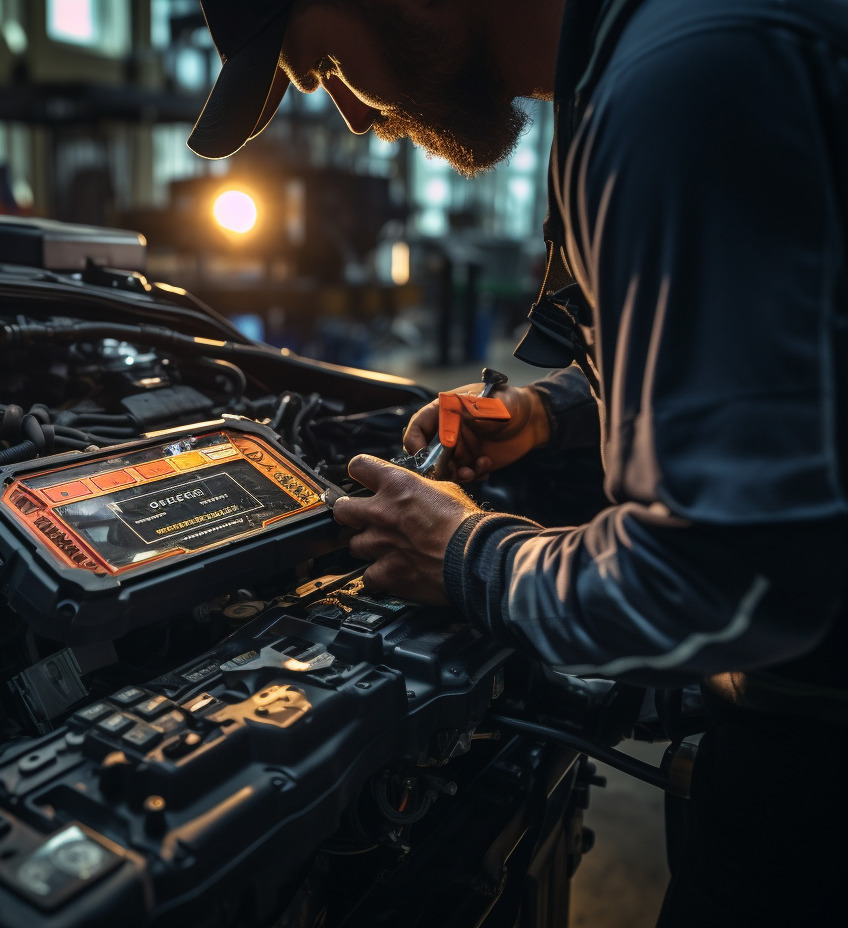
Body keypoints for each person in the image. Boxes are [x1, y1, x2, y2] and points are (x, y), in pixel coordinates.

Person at [188, 1, 848, 924]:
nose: (349, 112)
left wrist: (466, 555)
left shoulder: (682, 85)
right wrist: (546, 411)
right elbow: (783, 359)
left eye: (328, 63)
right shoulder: (656, 51)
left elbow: (731, 578)